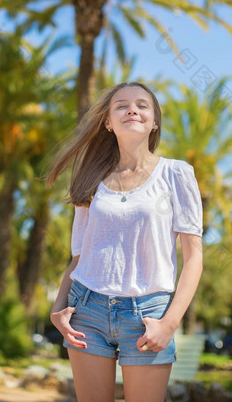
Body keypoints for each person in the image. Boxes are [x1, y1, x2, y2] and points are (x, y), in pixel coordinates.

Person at [46, 82, 203, 402]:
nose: (132, 109)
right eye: (121, 105)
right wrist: (57, 308)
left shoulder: (176, 174)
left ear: (154, 121)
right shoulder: (90, 179)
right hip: (87, 310)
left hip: (149, 315)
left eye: (143, 105)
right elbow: (79, 257)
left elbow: (194, 258)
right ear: (107, 121)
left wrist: (170, 323)